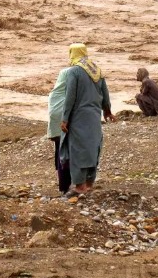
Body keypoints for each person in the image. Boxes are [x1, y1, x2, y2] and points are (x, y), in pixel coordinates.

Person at [61, 43, 114, 196]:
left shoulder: (74, 71)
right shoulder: (96, 70)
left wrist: (65, 118)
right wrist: (108, 111)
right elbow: (105, 93)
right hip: (94, 116)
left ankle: (80, 186)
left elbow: (70, 97)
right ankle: (90, 183)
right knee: (92, 149)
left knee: (77, 151)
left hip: (78, 117)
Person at [46, 66, 72, 195]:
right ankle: (65, 185)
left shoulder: (55, 93)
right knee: (66, 153)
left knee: (58, 151)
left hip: (56, 128)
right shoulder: (69, 94)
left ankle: (62, 183)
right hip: (65, 127)